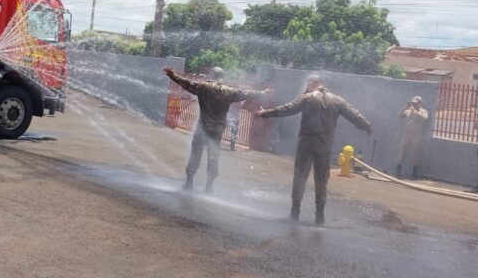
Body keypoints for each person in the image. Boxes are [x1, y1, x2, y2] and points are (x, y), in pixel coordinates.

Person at [255, 77, 371, 225]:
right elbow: (354, 115)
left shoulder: (307, 97)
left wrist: (265, 113)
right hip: (324, 147)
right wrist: (366, 125)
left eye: (309, 84)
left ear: (314, 84)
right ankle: (319, 216)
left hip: (306, 144)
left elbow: (288, 109)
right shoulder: (337, 100)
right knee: (321, 181)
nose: (307, 87)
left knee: (300, 177)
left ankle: (295, 212)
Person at [163, 66, 271, 194]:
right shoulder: (230, 91)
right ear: (222, 77)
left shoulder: (203, 87)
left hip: (202, 129)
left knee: (195, 155)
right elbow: (246, 93)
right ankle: (209, 187)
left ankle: (189, 182)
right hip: (217, 131)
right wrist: (263, 93)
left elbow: (186, 83)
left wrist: (172, 75)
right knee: (213, 157)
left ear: (211, 76)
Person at [396, 95, 429, 179]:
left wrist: (415, 112)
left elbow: (424, 119)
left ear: (420, 103)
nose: (414, 105)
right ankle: (398, 171)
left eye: (416, 103)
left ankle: (414, 174)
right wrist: (405, 107)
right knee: (402, 151)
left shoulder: (423, 111)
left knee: (415, 154)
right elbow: (399, 115)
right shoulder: (409, 111)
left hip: (416, 134)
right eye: (413, 103)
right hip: (407, 134)